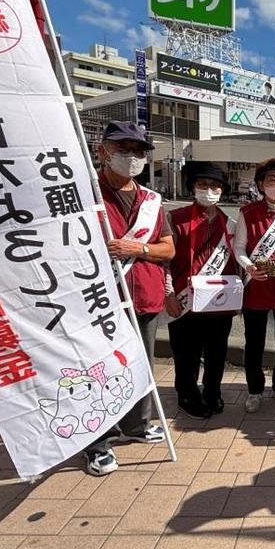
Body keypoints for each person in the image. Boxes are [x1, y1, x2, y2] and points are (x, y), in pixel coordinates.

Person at [90, 120, 175, 476]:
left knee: (140, 364)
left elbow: (168, 248)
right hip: (98, 299)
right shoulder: (85, 192)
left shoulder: (151, 201)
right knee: (100, 369)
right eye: (123, 149)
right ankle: (98, 439)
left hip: (145, 295)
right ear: (103, 151)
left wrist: (137, 247)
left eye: (139, 151)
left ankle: (137, 426)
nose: (132, 157)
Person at [165, 162, 238, 419]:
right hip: (186, 301)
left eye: (215, 186)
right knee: (186, 353)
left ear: (222, 191)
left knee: (217, 352)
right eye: (203, 185)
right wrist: (168, 294)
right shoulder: (176, 219)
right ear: (192, 188)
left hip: (219, 302)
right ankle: (187, 394)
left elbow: (236, 262)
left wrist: (238, 297)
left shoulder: (230, 224)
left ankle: (212, 391)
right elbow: (164, 262)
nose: (209, 190)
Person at [233, 158, 275, 413]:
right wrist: (247, 265)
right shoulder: (247, 212)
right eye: (272, 180)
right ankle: (254, 390)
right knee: (255, 342)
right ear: (261, 184)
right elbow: (239, 246)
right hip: (257, 285)